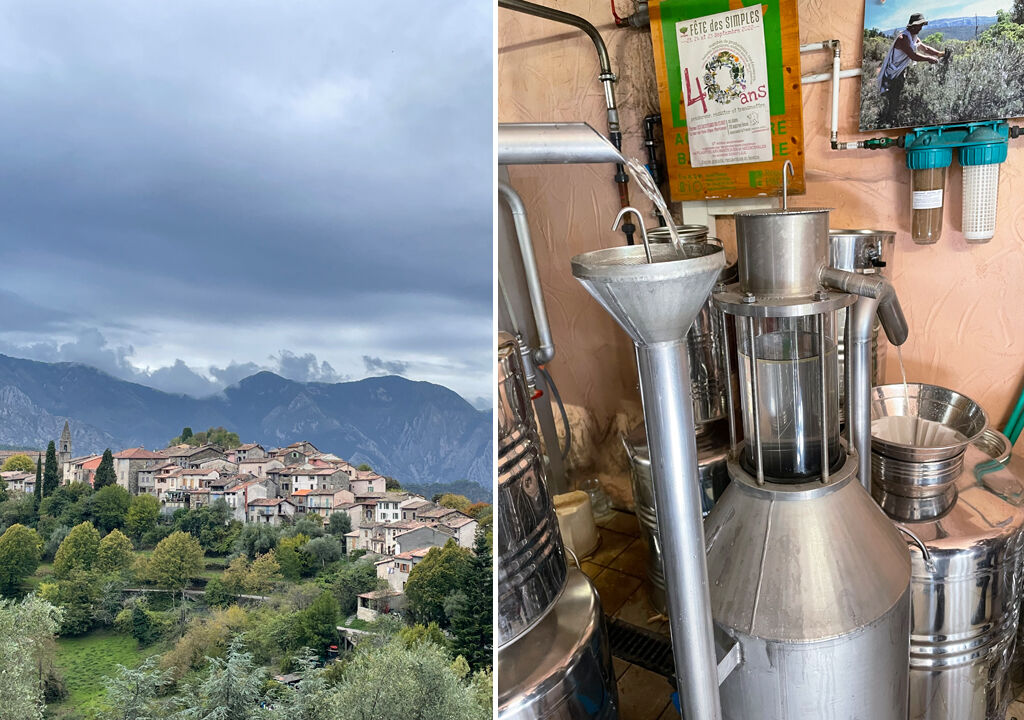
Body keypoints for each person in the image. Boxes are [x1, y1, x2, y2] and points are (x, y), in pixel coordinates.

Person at [877, 13, 943, 125]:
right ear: (912, 26)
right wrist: (929, 59)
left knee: (897, 95)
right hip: (892, 73)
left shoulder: (914, 37)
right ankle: (888, 121)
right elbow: (913, 55)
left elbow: (925, 48)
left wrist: (939, 54)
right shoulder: (903, 38)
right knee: (893, 97)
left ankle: (892, 117)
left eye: (922, 25)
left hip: (900, 71)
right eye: (919, 25)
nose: (921, 28)